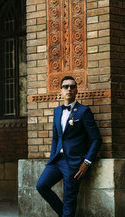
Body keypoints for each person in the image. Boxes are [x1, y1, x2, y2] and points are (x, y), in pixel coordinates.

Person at [36, 76, 102, 217]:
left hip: (74, 163)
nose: (69, 89)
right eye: (66, 86)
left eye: (72, 86)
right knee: (41, 186)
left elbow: (96, 139)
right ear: (61, 90)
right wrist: (52, 156)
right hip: (56, 161)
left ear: (76, 90)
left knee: (69, 200)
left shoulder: (84, 111)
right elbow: (55, 137)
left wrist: (86, 162)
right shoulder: (57, 111)